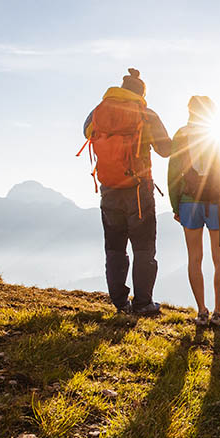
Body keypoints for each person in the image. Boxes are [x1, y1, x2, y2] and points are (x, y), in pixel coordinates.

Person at [80, 68, 172, 315]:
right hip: (139, 191)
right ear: (141, 93)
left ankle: (120, 303)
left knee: (114, 247)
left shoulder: (97, 112)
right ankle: (143, 303)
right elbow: (166, 150)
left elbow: (86, 132)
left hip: (109, 189)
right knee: (143, 247)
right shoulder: (146, 114)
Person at [168, 95, 220, 328]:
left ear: (189, 111)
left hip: (190, 203)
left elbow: (174, 173)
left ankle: (201, 311)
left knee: (194, 258)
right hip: (219, 204)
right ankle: (218, 313)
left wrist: (175, 205)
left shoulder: (181, 135)